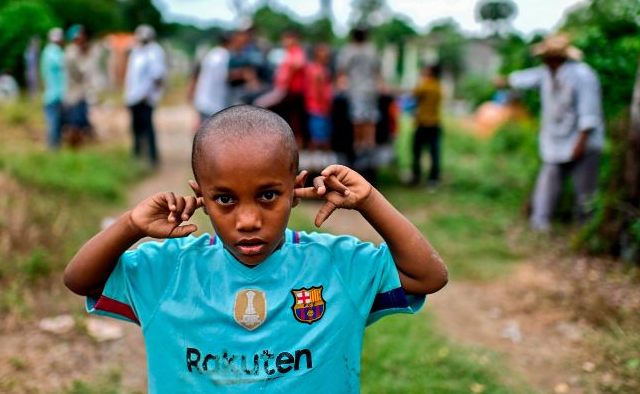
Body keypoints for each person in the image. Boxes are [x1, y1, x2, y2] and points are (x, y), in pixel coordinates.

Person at [64, 105, 448, 392]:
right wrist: (131, 224)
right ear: (201, 196)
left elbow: (427, 275)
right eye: (225, 199)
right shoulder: (170, 270)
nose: (248, 219)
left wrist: (369, 201)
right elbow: (80, 279)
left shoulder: (336, 267)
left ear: (295, 190)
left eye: (267, 195)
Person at [495, 32, 605, 232]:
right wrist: (506, 81)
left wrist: (580, 143)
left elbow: (590, 114)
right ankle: (539, 226)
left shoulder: (583, 75)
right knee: (548, 184)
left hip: (584, 143)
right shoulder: (547, 73)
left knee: (585, 193)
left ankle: (584, 232)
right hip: (557, 143)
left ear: (557, 56)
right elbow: (527, 78)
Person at [336, 26, 383, 173]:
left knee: (358, 119)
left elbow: (341, 71)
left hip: (356, 90)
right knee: (370, 119)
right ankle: (369, 147)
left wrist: (340, 84)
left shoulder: (348, 50)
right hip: (371, 89)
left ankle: (358, 148)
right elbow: (378, 72)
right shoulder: (372, 50)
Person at [124, 24, 166, 166]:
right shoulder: (136, 51)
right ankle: (138, 156)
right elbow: (132, 76)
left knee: (147, 128)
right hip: (134, 97)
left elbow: (158, 76)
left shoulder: (155, 51)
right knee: (136, 129)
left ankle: (152, 158)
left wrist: (150, 94)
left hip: (145, 98)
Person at [410, 64, 443, 188]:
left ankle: (417, 176)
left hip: (425, 124)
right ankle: (432, 178)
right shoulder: (437, 86)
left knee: (417, 151)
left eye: (425, 70)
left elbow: (415, 93)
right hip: (434, 124)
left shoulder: (427, 85)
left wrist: (421, 80)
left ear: (430, 72)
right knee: (434, 153)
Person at [63, 24, 96, 147]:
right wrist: (87, 54)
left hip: (79, 94)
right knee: (75, 126)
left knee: (80, 125)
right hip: (74, 96)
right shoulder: (72, 52)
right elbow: (81, 72)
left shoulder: (75, 51)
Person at [191, 31, 232, 125]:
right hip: (214, 102)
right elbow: (222, 76)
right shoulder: (224, 55)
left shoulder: (212, 53)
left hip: (203, 98)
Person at [40, 27, 66, 149]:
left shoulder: (46, 52)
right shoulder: (54, 52)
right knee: (55, 125)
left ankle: (54, 148)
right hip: (55, 96)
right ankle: (53, 149)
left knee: (54, 125)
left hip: (50, 95)